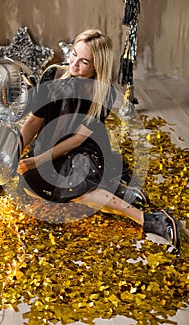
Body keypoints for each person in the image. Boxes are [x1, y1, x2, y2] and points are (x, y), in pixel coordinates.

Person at [17, 29, 180, 251]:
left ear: (97, 66)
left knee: (74, 189)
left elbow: (76, 140)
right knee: (30, 184)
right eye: (74, 54)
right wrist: (16, 151)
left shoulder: (103, 93)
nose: (74, 65)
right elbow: (34, 122)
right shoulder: (53, 75)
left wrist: (38, 160)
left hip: (82, 148)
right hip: (49, 144)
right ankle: (120, 191)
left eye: (84, 62)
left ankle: (151, 220)